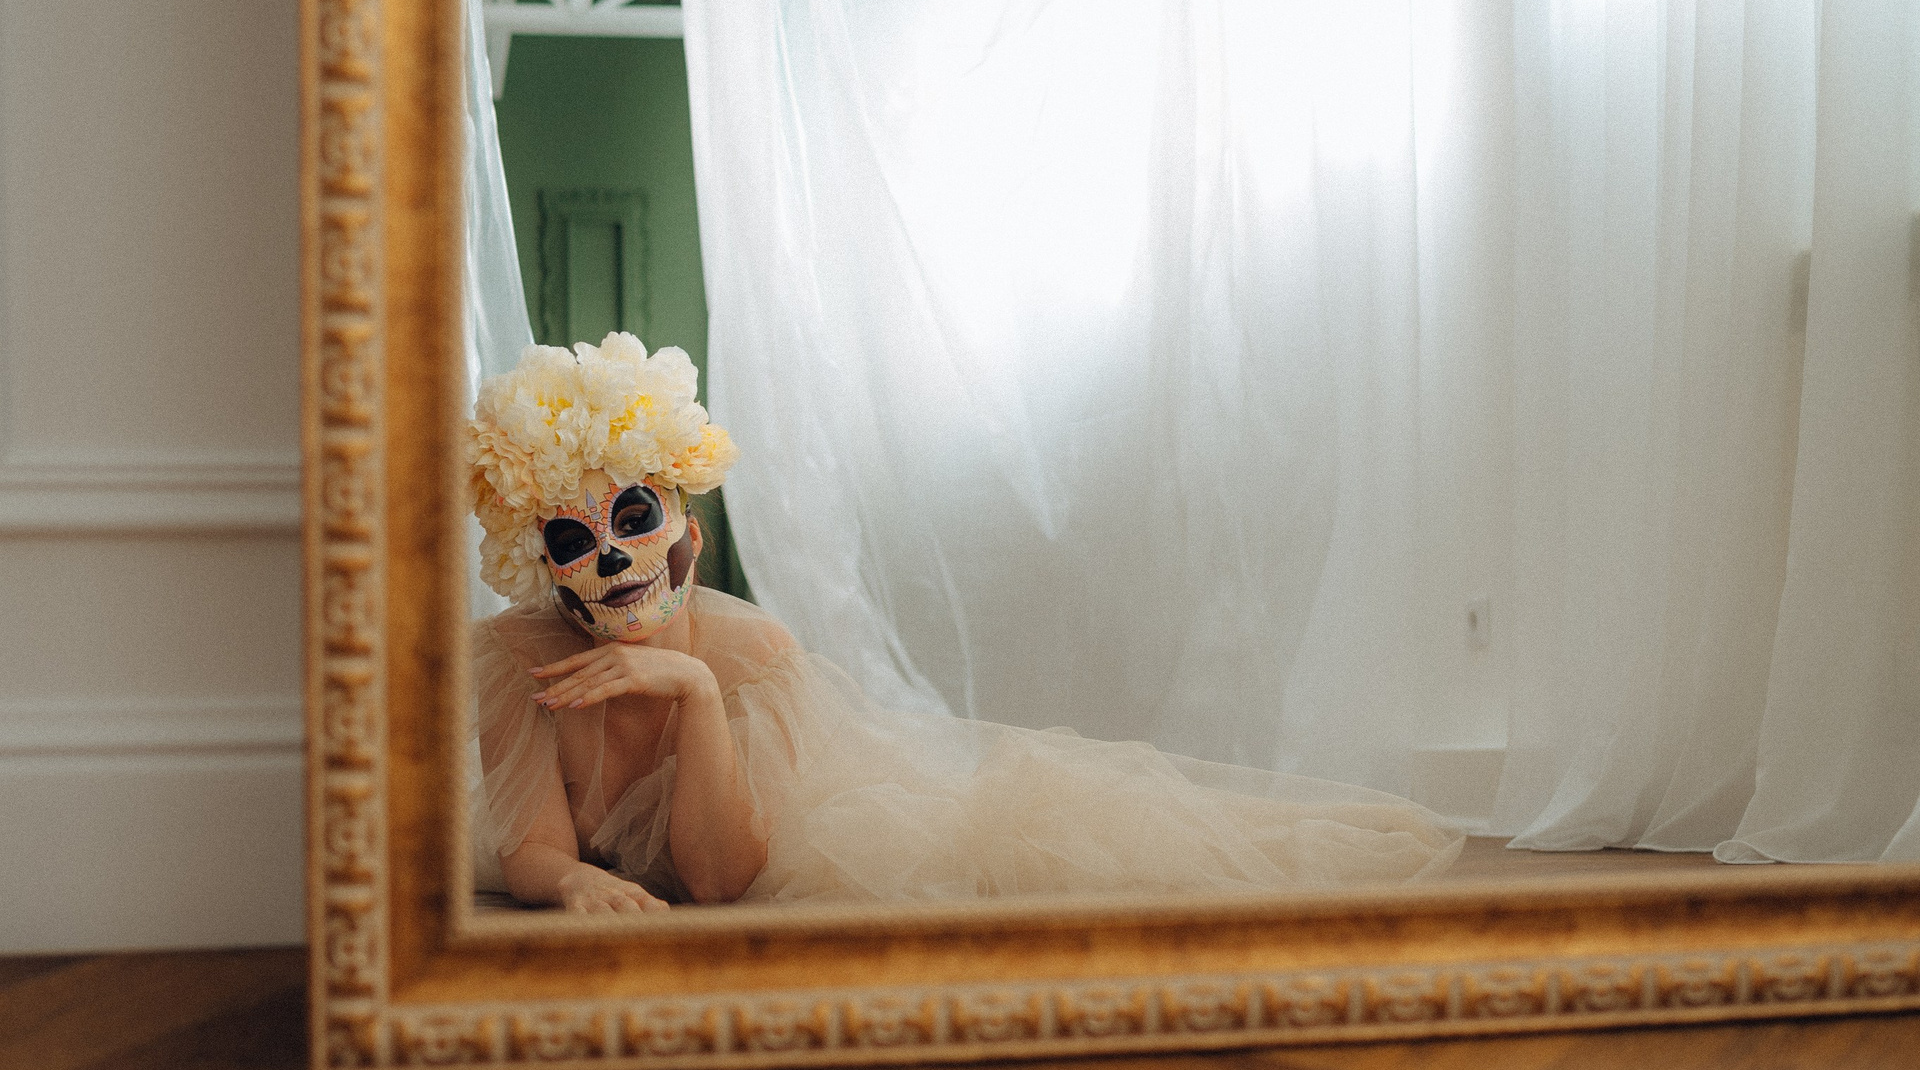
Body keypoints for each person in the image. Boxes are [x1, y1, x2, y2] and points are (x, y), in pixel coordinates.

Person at [469, 334, 1461, 915]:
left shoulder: (754, 661)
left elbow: (720, 880)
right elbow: (534, 847)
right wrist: (568, 885)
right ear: (541, 564)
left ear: (688, 531)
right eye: (574, 536)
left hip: (845, 826)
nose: (613, 558)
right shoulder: (517, 661)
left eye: (635, 517)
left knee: (1042, 851)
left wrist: (691, 692)